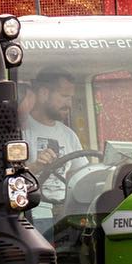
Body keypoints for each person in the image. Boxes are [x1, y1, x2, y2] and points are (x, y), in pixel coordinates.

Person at [21, 67, 84, 201]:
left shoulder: (69, 135)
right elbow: (9, 180)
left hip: (65, 208)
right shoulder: (21, 132)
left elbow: (79, 174)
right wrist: (36, 166)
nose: (69, 104)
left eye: (71, 98)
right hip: (33, 208)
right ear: (44, 93)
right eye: (64, 96)